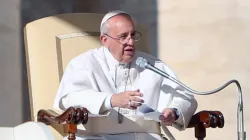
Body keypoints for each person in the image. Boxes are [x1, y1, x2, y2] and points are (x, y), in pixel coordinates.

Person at [53, 10, 197, 140]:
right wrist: (111, 100)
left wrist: (175, 112)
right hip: (96, 137)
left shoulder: (152, 65)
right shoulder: (84, 63)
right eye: (123, 37)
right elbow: (68, 99)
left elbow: (185, 96)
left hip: (147, 137)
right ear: (105, 40)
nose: (131, 42)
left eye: (133, 35)